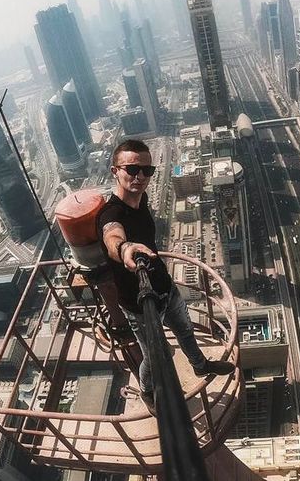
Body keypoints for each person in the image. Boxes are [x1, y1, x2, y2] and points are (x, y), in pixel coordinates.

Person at [96, 139, 234, 414]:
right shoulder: (110, 213)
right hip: (139, 304)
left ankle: (200, 365)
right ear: (115, 171)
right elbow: (112, 235)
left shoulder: (142, 200)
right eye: (132, 169)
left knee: (186, 331)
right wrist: (124, 248)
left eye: (147, 171)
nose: (140, 177)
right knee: (153, 356)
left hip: (165, 288)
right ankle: (147, 391)